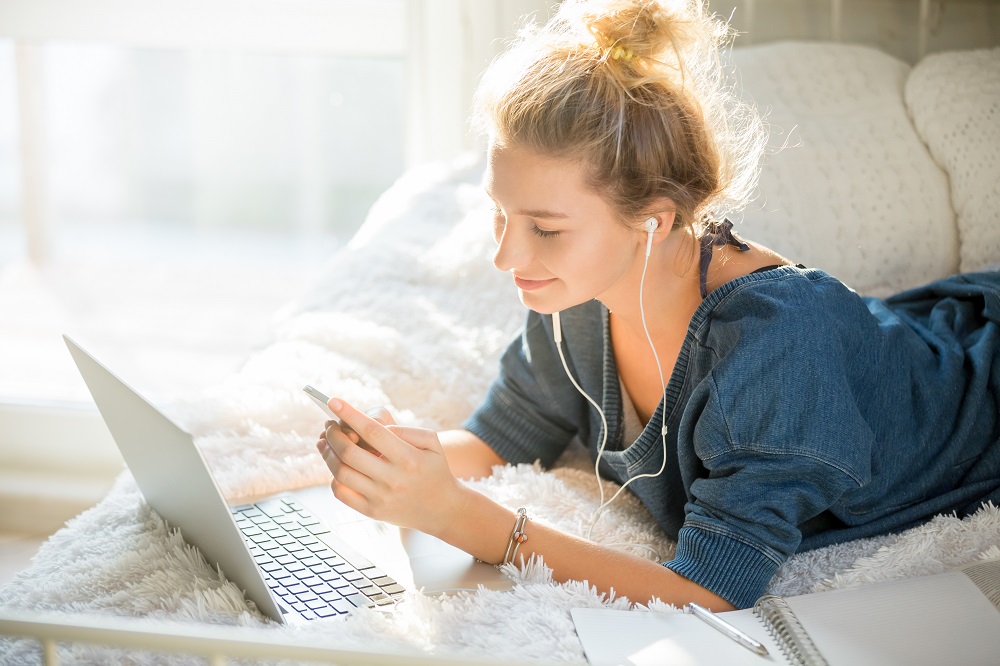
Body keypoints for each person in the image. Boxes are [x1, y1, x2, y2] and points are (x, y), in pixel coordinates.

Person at [316, 0, 1000, 611]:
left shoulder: (773, 352)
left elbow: (707, 589)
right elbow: (504, 435)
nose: (506, 258)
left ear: (656, 219)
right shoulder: (573, 304)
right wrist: (393, 460)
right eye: (498, 215)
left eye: (545, 229)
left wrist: (458, 517)